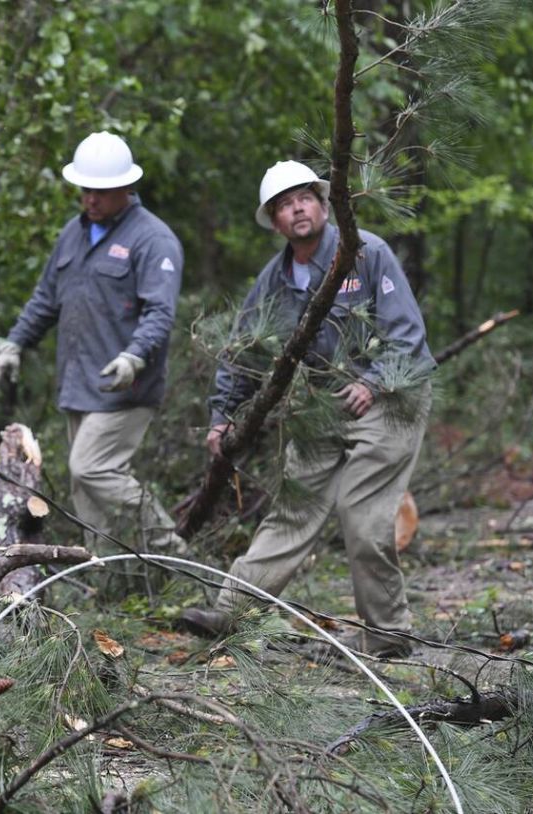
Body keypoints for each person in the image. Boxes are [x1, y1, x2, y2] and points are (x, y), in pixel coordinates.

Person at [178, 161, 435, 657]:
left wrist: (376, 381)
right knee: (293, 509)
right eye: (283, 205)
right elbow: (241, 349)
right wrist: (222, 414)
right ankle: (233, 611)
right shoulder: (274, 280)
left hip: (392, 398)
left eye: (304, 198)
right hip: (322, 402)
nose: (296, 208)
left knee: (361, 513)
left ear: (323, 204)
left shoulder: (366, 253)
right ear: (274, 221)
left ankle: (389, 637)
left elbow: (408, 335)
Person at [0, 131, 184, 553]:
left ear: (126, 188)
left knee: (90, 467)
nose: (91, 199)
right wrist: (15, 344)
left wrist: (134, 357)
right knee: (85, 490)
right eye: (85, 190)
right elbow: (46, 299)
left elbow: (160, 312)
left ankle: (172, 549)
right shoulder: (73, 235)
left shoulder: (153, 240)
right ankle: (103, 571)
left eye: (101, 191)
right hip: (79, 383)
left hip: (125, 387)